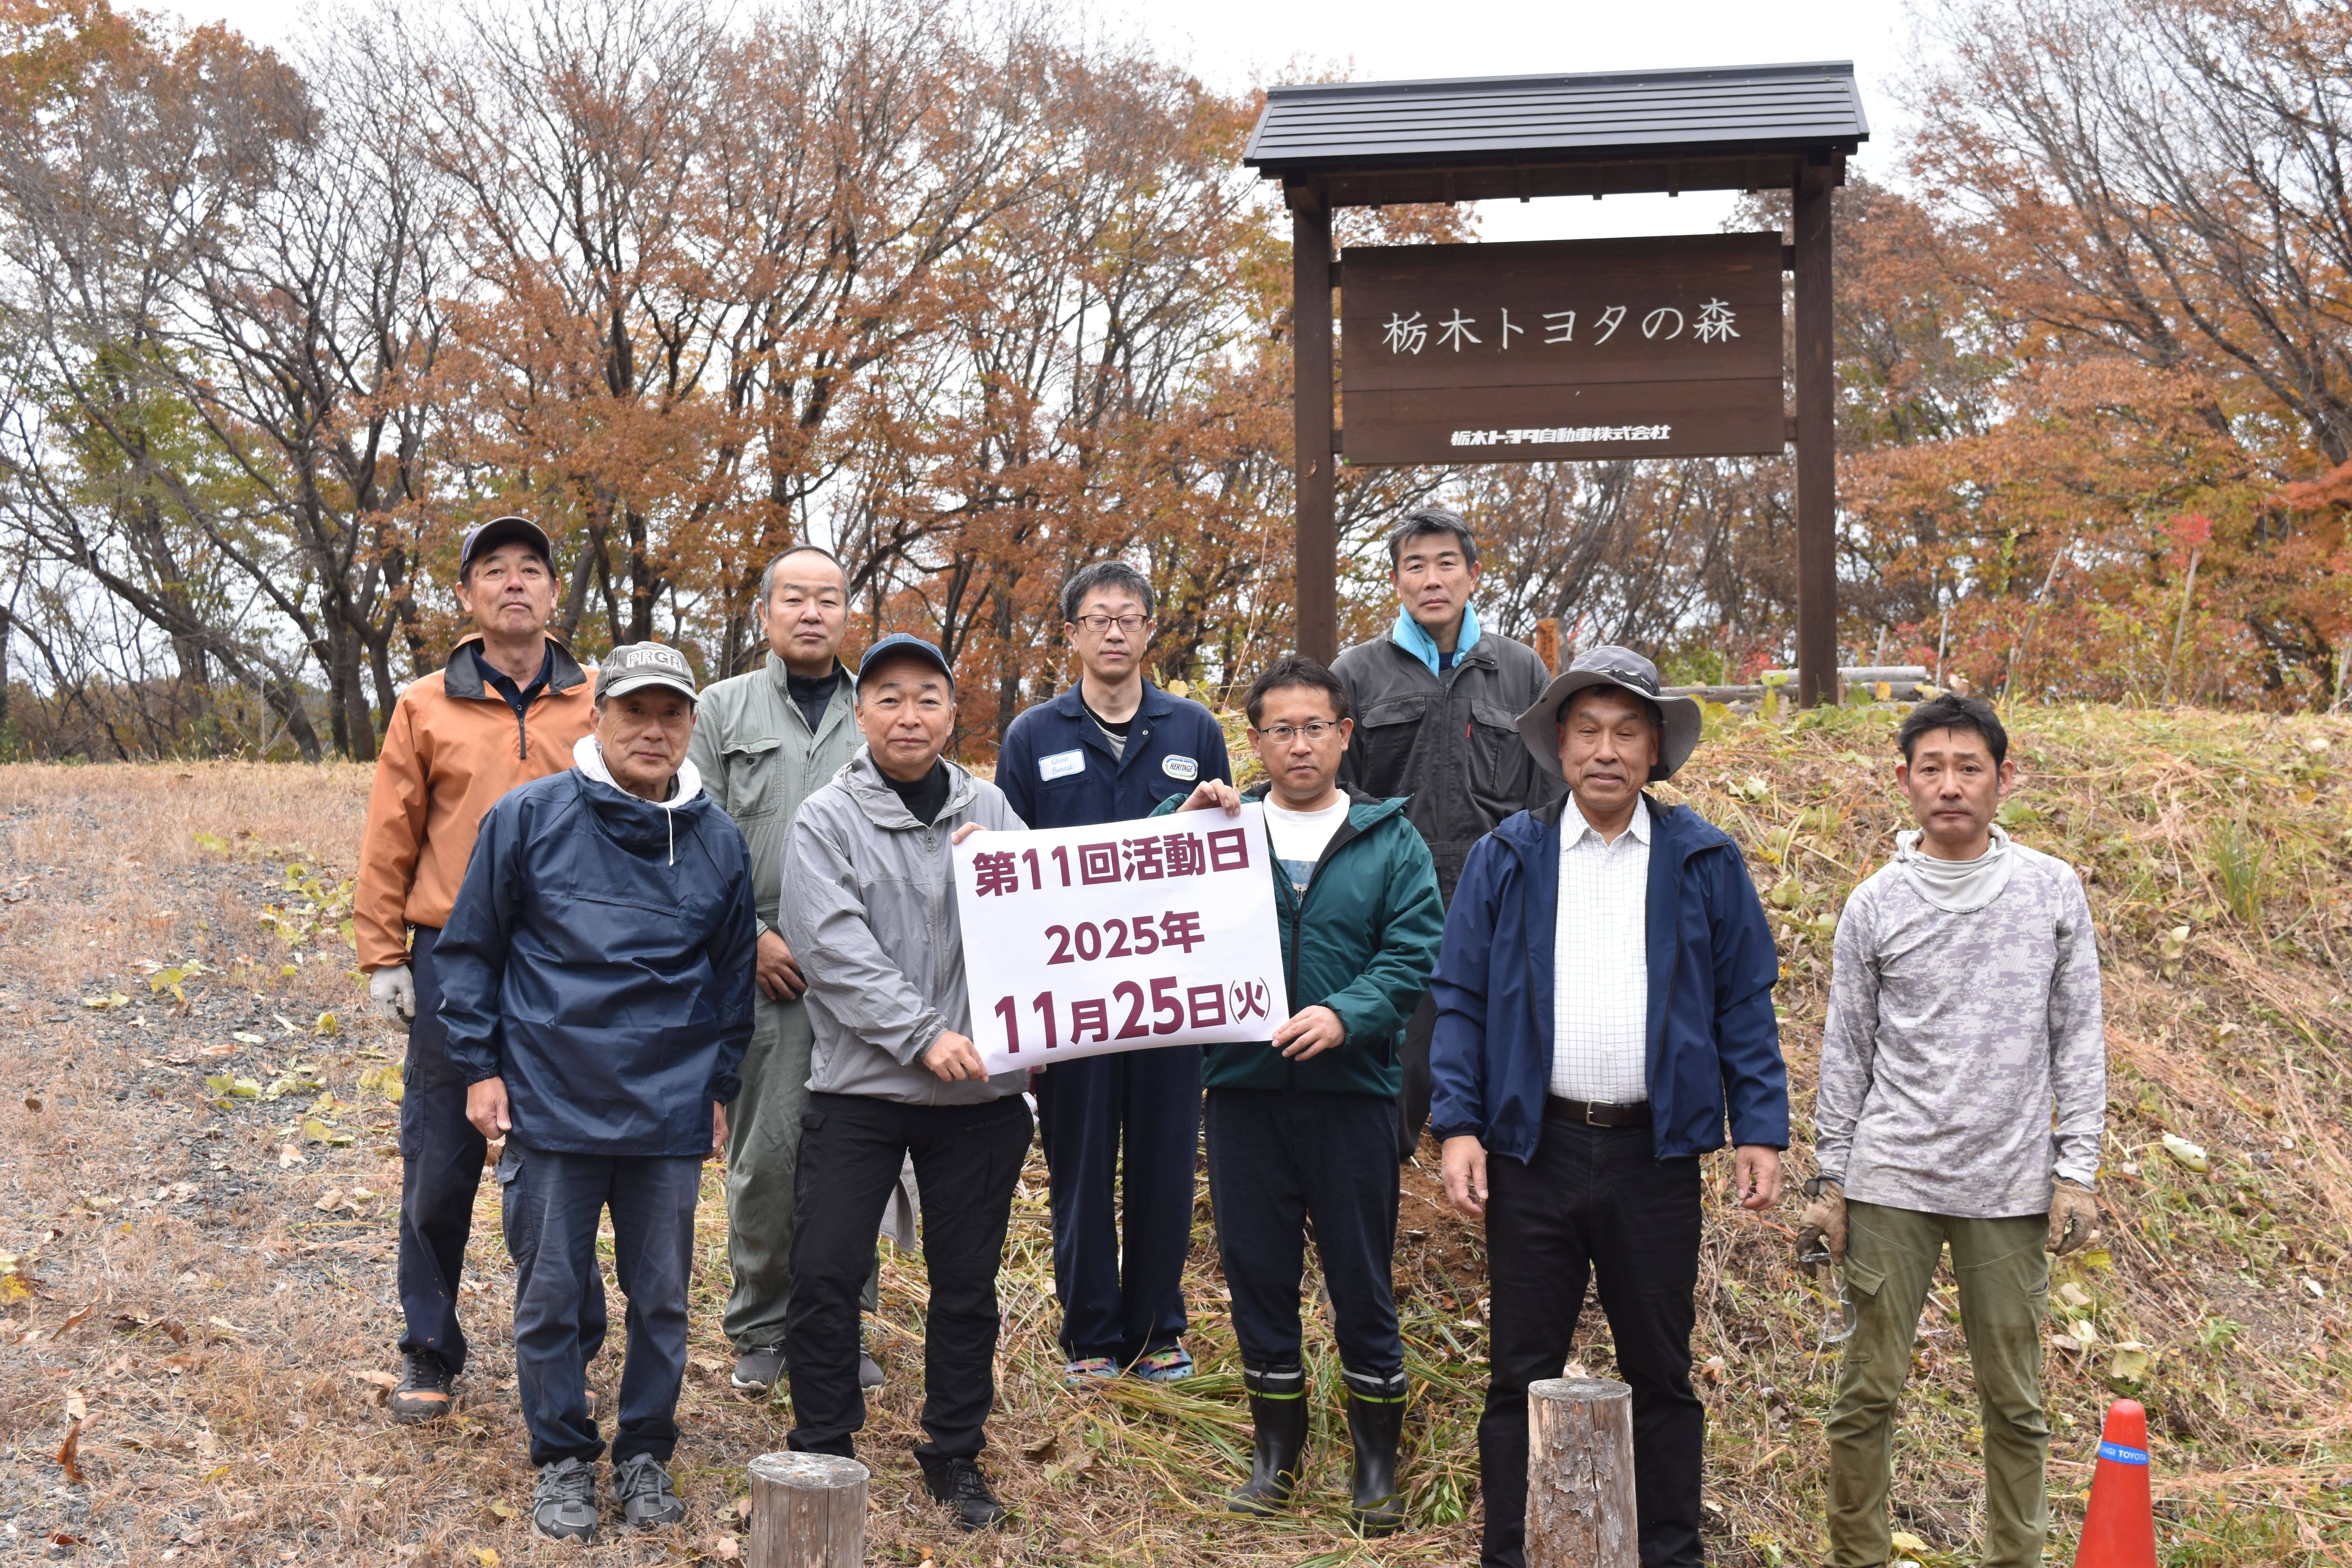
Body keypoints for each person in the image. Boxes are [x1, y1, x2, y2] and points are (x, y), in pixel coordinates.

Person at [1429, 645, 1788, 1568]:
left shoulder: (1702, 857)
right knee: (1518, 1373)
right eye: (1587, 729)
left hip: (1654, 1157)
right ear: (1559, 742)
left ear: (1656, 747)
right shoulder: (1510, 855)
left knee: (1662, 1373)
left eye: (1628, 731)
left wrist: (1760, 1127)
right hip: (1533, 1150)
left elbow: (1744, 999)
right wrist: (1460, 1123)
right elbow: (1461, 994)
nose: (1606, 749)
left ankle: (1671, 1553)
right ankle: (1510, 1553)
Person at [434, 642, 757, 1543]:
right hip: (552, 1095)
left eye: (672, 714)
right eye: (635, 712)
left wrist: (719, 1084)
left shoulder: (717, 839)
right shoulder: (529, 817)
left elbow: (733, 983)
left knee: (661, 1297)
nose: (654, 731)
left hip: (669, 1105)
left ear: (692, 726)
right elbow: (470, 952)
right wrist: (481, 1066)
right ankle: (564, 1457)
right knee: (550, 1291)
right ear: (598, 717)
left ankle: (647, 1449)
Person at [1801, 693, 2105, 1568]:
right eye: (1930, 768)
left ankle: (2018, 1557)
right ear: (1904, 781)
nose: (1950, 785)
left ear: (2004, 779)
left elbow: (2078, 1036)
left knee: (2015, 1398)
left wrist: (2075, 1168)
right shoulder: (1874, 903)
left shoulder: (2051, 890)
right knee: (1866, 1393)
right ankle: (1857, 1555)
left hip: (2009, 1186)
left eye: (1969, 767)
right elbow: (1847, 1046)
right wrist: (1832, 1182)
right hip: (1893, 1176)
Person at [1158, 655, 1444, 1536]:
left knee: (1362, 1278)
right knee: (1258, 1275)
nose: (1298, 744)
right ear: (1255, 740)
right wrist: (1177, 820)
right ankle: (1274, 1451)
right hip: (1244, 1093)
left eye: (1315, 726)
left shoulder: (1391, 837)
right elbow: (1141, 908)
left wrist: (1345, 1013)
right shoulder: (1219, 828)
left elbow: (1410, 954)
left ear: (1345, 734)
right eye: (1279, 729)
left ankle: (1374, 1465)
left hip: (1352, 1094)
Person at [354, 515, 605, 1423]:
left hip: (571, 966)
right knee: (441, 1162)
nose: (513, 583)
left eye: (530, 569)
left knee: (565, 1156)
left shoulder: (599, 702)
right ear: (466, 596)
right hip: (455, 958)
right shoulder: (426, 704)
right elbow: (392, 833)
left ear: (552, 591)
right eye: (492, 570)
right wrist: (385, 954)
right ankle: (429, 1346)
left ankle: (574, 1338)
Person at [777, 633, 1031, 1531]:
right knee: (824, 1269)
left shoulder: (994, 809)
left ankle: (954, 1452)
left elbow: (1054, 918)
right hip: (861, 1090)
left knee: (967, 1283)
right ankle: (823, 1444)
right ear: (860, 713)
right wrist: (925, 1036)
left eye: (928, 697)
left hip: (981, 1103)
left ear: (953, 715)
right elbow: (833, 949)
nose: (908, 714)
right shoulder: (826, 817)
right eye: (888, 697)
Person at [995, 560, 1233, 1386]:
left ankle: (1159, 1328)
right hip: (1074, 996)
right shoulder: (1033, 735)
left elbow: (1221, 857)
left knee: (1167, 1160)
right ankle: (1091, 1331)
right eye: (1097, 617)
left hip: (1170, 989)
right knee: (1082, 1161)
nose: (1114, 631)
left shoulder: (1193, 728)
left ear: (1150, 631)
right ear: (1071, 634)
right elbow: (1008, 868)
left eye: (1130, 617)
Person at [686, 544, 891, 1396]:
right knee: (767, 1156)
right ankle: (764, 1323)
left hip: (865, 975)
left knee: (857, 1157)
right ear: (764, 612)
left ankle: (840, 1327)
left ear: (850, 615)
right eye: (795, 598)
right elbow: (697, 834)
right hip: (762, 971)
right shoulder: (721, 708)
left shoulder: (881, 707)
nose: (813, 613)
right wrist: (757, 936)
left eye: (830, 599)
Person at [1332, 507, 1562, 1161]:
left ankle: (1505, 1216)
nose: (1432, 579)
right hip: (1392, 909)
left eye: (1446, 563)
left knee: (1502, 1063)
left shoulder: (1520, 673)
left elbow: (1549, 797)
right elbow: (1337, 794)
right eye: (1415, 565)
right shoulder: (1356, 674)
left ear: (1473, 576)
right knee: (1397, 1068)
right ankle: (1384, 1209)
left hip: (1497, 904)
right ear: (1396, 581)